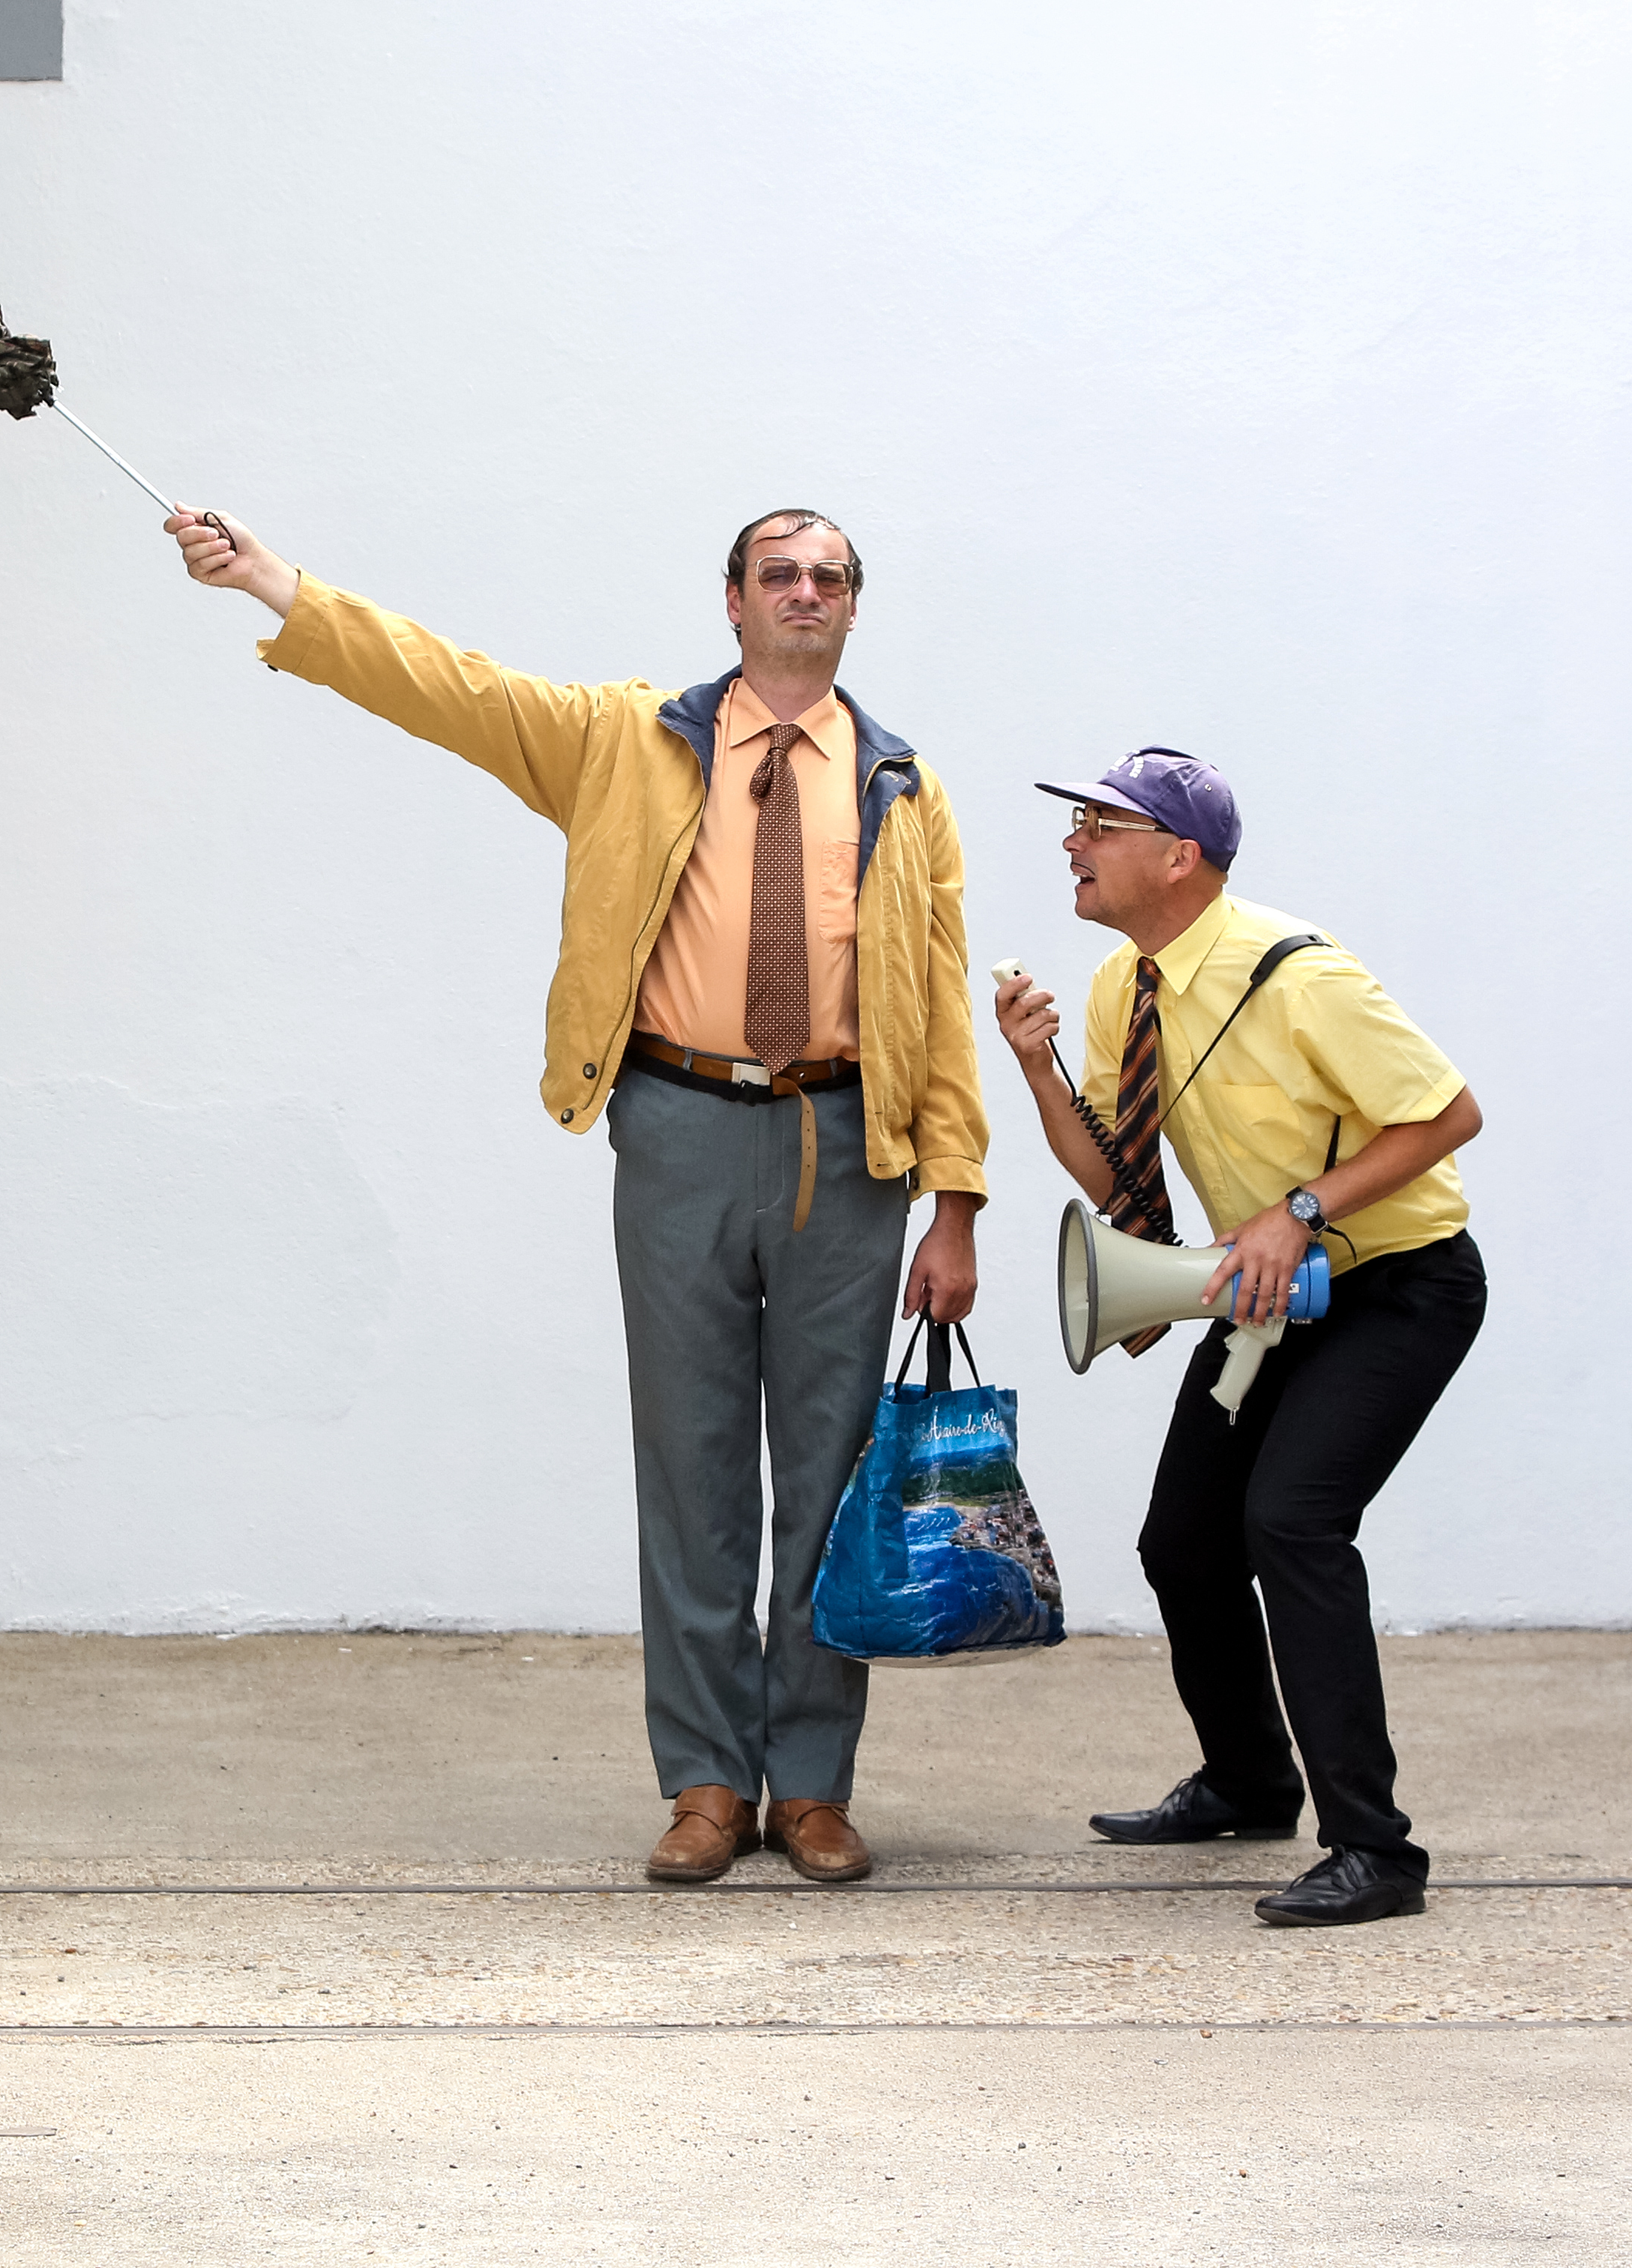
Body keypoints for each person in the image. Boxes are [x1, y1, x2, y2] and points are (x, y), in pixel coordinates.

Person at [163, 504, 989, 1884]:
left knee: (833, 1476)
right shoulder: (629, 740)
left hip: (850, 1152)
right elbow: (453, 687)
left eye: (827, 576)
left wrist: (954, 1200)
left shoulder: (904, 783)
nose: (804, 591)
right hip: (677, 1126)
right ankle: (710, 1782)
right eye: (778, 573)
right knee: (691, 1470)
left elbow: (945, 1001)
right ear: (730, 601)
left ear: (855, 607)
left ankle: (816, 1786)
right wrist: (273, 583)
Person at [993, 748, 1485, 1926]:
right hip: (1264, 1294)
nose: (1072, 843)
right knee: (1184, 1541)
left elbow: (1448, 1113)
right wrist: (1031, 1067)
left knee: (1293, 1522)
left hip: (1394, 1285)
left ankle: (1376, 1850)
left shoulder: (1302, 976)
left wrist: (1302, 1209)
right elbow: (1121, 1178)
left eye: (1098, 826)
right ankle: (1250, 1781)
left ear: (1179, 857)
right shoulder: (1126, 987)